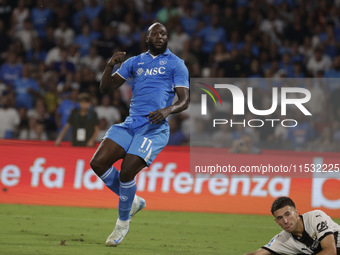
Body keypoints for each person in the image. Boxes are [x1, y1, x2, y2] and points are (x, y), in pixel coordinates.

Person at [89, 22, 189, 247]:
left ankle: (122, 223)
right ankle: (132, 201)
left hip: (154, 129)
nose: (160, 37)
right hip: (131, 124)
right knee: (98, 163)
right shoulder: (135, 62)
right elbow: (105, 89)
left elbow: (184, 100)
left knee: (126, 171)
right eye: (155, 34)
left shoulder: (177, 64)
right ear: (147, 38)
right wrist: (109, 65)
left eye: (164, 34)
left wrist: (167, 110)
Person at [244, 196, 340, 255]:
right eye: (280, 218)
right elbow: (256, 254)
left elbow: (331, 252)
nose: (285, 221)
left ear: (296, 212)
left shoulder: (315, 217)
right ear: (276, 221)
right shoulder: (283, 239)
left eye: (287, 214)